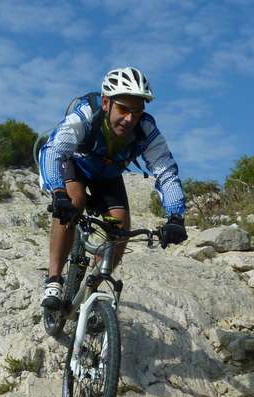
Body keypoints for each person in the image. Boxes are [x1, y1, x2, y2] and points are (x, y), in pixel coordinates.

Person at [38, 66, 189, 309]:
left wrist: (175, 216)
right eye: (123, 109)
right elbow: (54, 150)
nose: (130, 119)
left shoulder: (146, 130)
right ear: (107, 102)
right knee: (73, 201)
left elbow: (166, 172)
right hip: (75, 165)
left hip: (107, 176)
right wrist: (58, 192)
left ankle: (89, 295)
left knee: (120, 228)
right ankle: (54, 278)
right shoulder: (86, 114)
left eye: (137, 112)